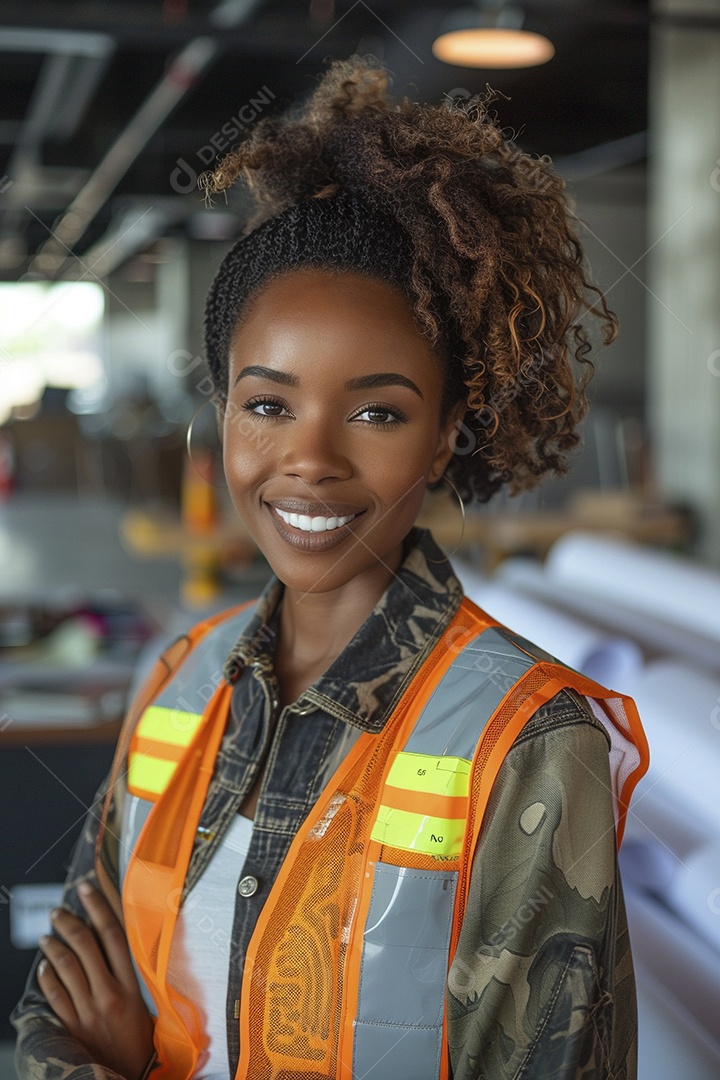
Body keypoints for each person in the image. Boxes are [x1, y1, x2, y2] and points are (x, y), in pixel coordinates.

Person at [13, 55, 648, 1080]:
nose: (309, 459)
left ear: (444, 437)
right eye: (268, 404)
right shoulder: (176, 679)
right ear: (223, 413)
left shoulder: (528, 740)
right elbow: (55, 1014)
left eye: (378, 413)